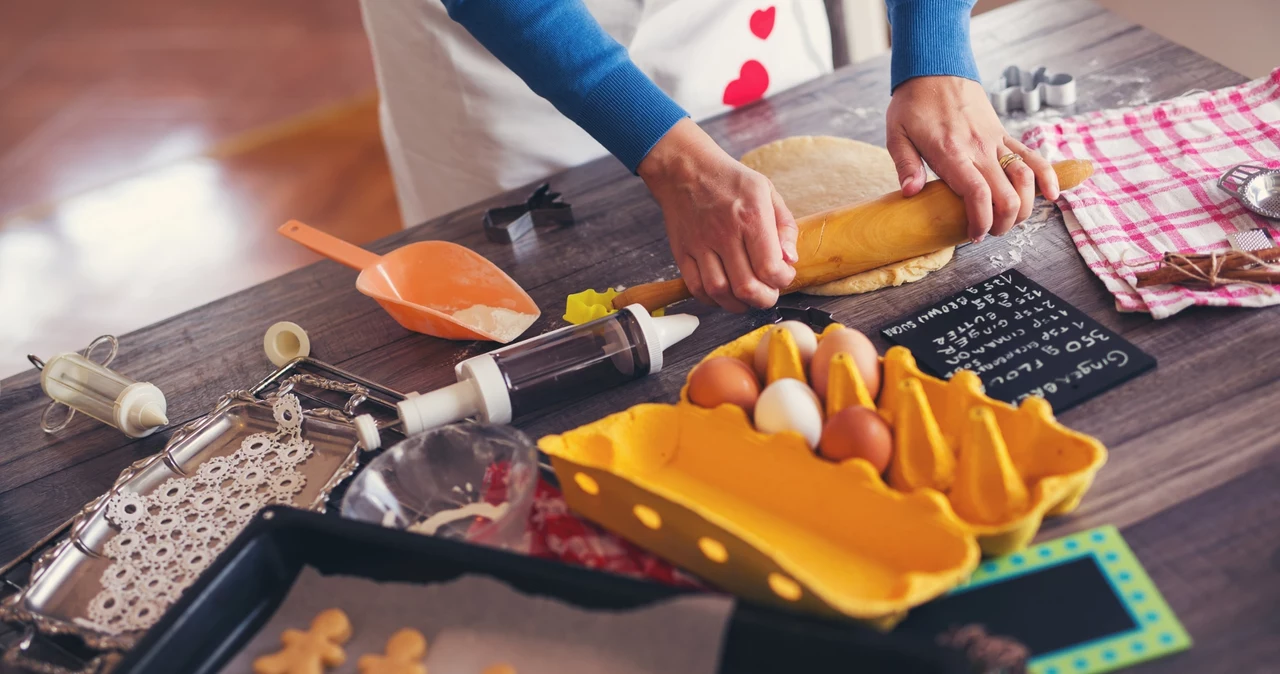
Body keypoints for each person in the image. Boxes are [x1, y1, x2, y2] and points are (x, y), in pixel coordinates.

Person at [358, 0, 1061, 313]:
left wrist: (935, 45)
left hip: (729, 27)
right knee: (537, 295)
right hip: (509, 69)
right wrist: (676, 163)